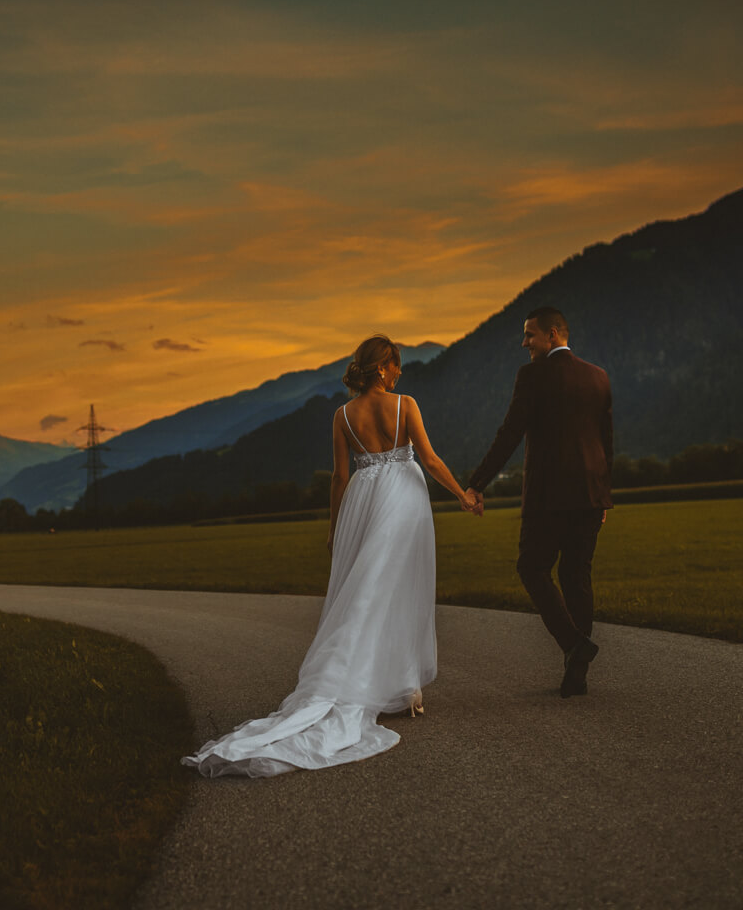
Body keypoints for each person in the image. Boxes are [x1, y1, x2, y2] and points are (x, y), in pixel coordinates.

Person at [183, 335, 478, 777]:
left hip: (363, 500)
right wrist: (462, 495)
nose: (399, 373)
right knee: (392, 591)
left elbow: (340, 477)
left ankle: (389, 684)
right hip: (403, 499)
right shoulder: (405, 405)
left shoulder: (342, 415)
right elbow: (431, 460)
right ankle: (390, 685)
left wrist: (335, 527)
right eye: (395, 366)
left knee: (368, 589)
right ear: (383, 368)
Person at [467, 307, 613, 698]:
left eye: (529, 335)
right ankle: (576, 673)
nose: (524, 343)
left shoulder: (532, 375)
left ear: (552, 335)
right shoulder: (598, 376)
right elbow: (605, 442)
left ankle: (573, 646)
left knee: (531, 568)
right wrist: (603, 497)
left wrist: (477, 482)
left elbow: (510, 433)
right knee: (576, 575)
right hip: (590, 496)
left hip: (549, 496)